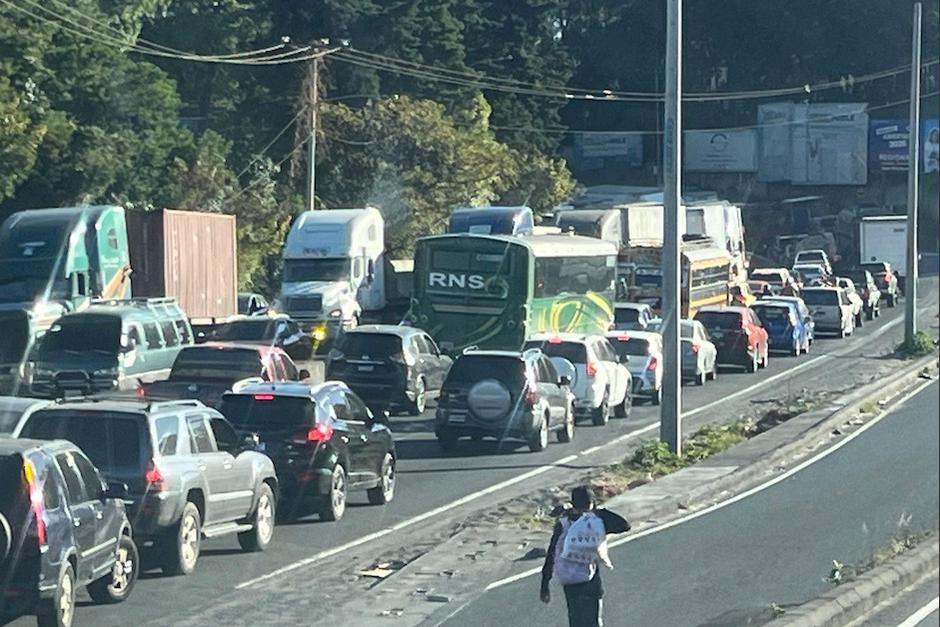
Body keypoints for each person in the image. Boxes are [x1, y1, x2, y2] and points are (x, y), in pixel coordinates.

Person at [540, 486, 630, 627]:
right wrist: (600, 512)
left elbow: (552, 553)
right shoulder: (595, 522)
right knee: (593, 621)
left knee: (576, 621)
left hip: (570, 581)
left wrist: (545, 584)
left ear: (573, 504)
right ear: (591, 503)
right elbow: (624, 525)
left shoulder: (563, 523)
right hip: (591, 581)